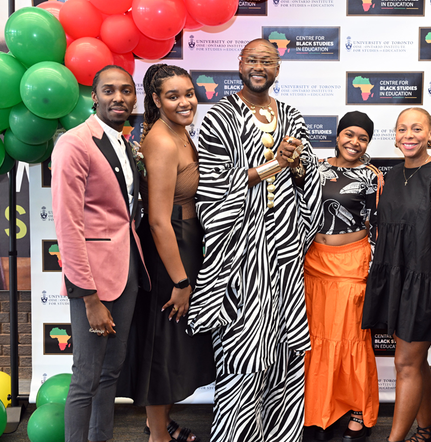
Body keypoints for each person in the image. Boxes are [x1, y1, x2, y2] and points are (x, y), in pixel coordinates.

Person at [185, 39, 323, 442]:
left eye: (268, 61)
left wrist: (297, 168)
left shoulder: (293, 116)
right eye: (252, 60)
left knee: (283, 355)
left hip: (283, 250)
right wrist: (273, 165)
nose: (259, 66)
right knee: (242, 354)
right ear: (240, 64)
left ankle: (280, 434)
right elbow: (211, 185)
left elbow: (307, 178)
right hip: (241, 255)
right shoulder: (218, 118)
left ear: (277, 68)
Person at [116, 64, 215, 442]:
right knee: (161, 343)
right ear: (156, 100)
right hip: (168, 248)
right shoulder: (161, 139)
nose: (186, 101)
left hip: (185, 241)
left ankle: (158, 423)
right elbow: (157, 220)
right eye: (173, 96)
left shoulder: (181, 132)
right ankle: (158, 435)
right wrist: (180, 281)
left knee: (174, 342)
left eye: (189, 93)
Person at [51, 65, 150, 442]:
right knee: (86, 376)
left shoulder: (124, 143)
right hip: (93, 279)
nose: (118, 98)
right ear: (94, 96)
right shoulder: (75, 143)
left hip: (126, 271)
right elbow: (68, 223)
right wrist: (87, 295)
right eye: (108, 91)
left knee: (111, 371)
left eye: (126, 91)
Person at [362, 108, 431, 442]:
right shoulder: (391, 176)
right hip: (399, 280)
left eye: (416, 129)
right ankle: (426, 430)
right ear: (394, 136)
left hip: (429, 282)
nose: (408, 135)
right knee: (415, 360)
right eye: (401, 129)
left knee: (406, 363)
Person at [304, 111, 382, 442]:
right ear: (337, 136)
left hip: (352, 264)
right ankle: (318, 413)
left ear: (367, 143)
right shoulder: (315, 169)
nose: (354, 142)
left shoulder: (371, 176)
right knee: (315, 341)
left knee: (351, 340)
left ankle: (356, 410)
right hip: (313, 263)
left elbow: (377, 226)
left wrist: (371, 269)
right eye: (349, 134)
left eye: (362, 137)